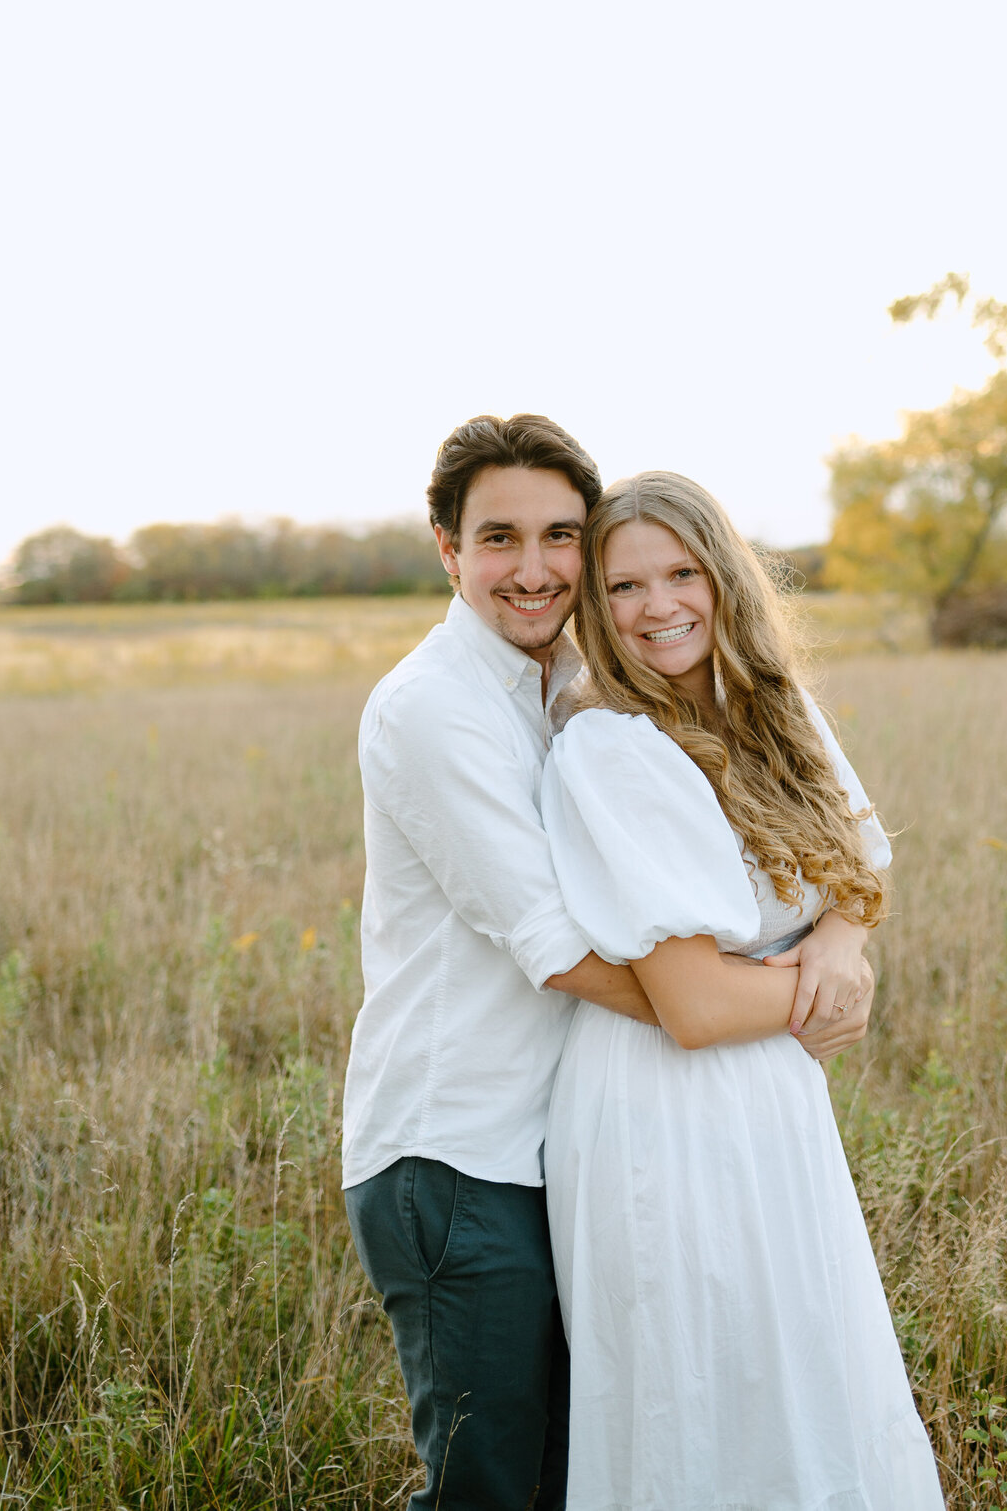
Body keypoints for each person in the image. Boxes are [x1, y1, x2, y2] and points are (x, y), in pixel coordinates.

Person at [342, 415, 877, 1511]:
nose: (533, 570)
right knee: (489, 1485)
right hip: (456, 1149)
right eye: (499, 538)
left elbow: (847, 845)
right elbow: (565, 950)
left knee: (586, 1458)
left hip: (555, 1138)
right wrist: (769, 1000)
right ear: (447, 548)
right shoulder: (436, 709)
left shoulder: (574, 678)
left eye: (558, 537)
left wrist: (839, 939)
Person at [542, 471, 944, 1510]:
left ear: (725, 579)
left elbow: (863, 861)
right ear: (595, 604)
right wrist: (828, 992)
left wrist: (844, 950)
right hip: (663, 1116)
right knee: (702, 1398)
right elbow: (697, 1007)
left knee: (809, 1382)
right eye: (624, 587)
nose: (657, 605)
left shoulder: (774, 706)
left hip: (774, 1100)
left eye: (681, 573)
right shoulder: (612, 745)